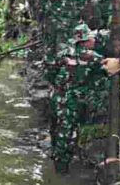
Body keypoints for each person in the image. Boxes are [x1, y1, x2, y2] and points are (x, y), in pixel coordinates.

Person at [46, 23, 104, 172]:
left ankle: (54, 154)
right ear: (85, 40)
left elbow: (50, 71)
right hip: (72, 101)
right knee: (68, 134)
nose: (93, 41)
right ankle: (61, 169)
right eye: (91, 38)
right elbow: (105, 74)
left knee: (56, 127)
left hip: (56, 96)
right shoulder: (93, 57)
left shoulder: (63, 53)